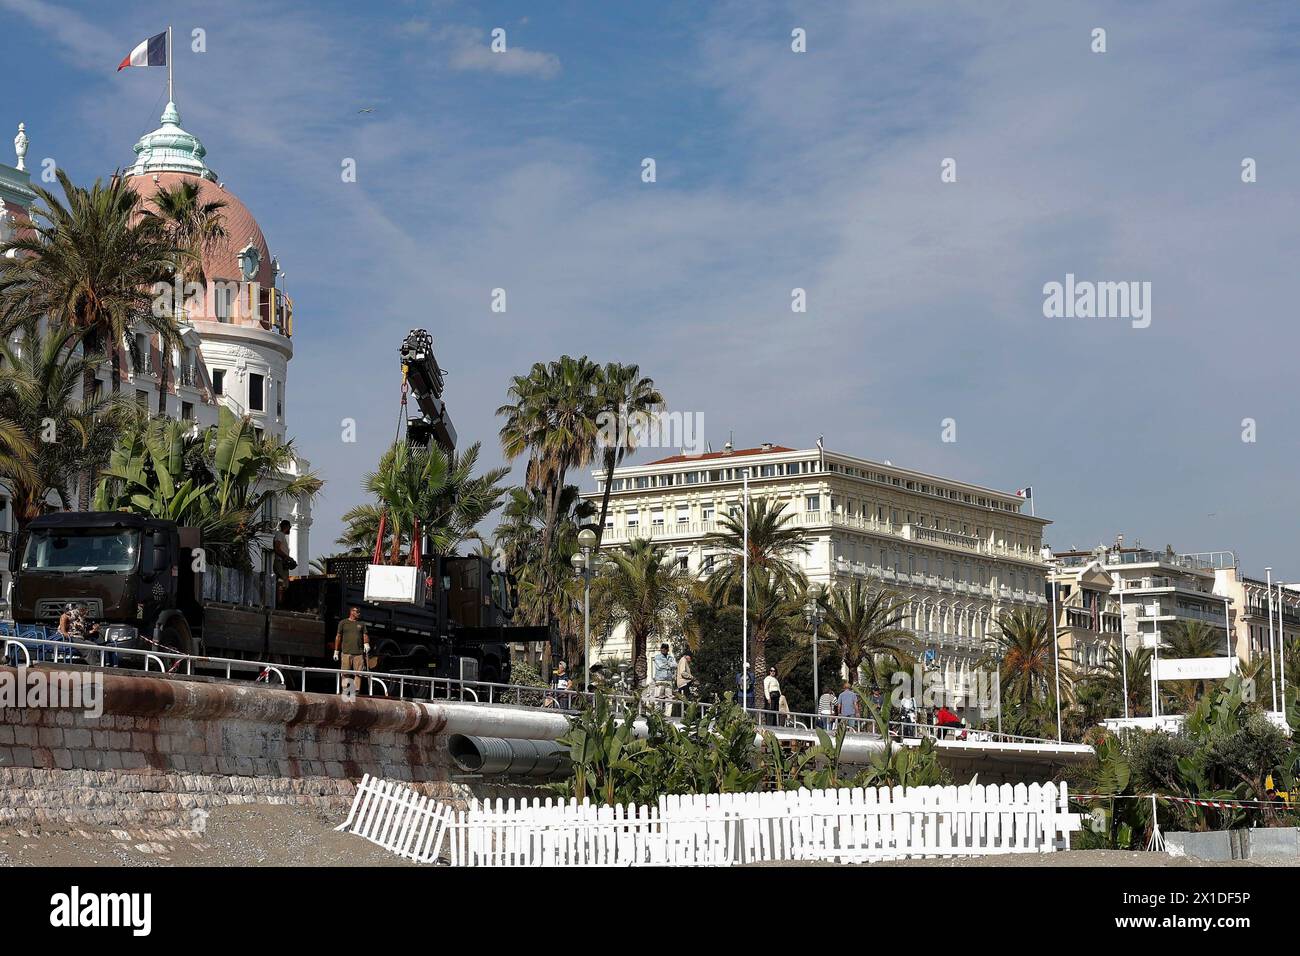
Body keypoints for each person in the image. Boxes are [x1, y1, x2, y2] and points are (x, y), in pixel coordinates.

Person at [333, 606, 369, 700]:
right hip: (346, 652)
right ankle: (345, 690)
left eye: (359, 612)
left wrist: (366, 643)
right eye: (357, 611)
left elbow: (365, 635)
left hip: (359, 653)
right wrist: (336, 651)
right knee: (345, 673)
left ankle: (356, 691)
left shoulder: (361, 624)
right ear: (352, 612)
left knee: (358, 673)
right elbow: (338, 636)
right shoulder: (343, 623)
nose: (359, 613)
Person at [651, 643, 676, 715]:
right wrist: (669, 665)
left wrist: (668, 664)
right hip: (660, 680)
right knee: (658, 697)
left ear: (668, 649)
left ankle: (668, 715)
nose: (664, 650)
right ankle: (657, 714)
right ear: (661, 649)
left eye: (665, 648)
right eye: (662, 648)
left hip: (669, 680)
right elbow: (660, 666)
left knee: (669, 698)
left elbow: (675, 665)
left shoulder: (671, 657)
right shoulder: (657, 657)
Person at [272, 519, 294, 602]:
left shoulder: (281, 535)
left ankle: (279, 601)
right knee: (281, 581)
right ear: (287, 527)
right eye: (289, 527)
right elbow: (277, 549)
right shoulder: (279, 534)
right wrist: (287, 557)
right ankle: (278, 602)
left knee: (284, 582)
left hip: (282, 562)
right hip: (280, 562)